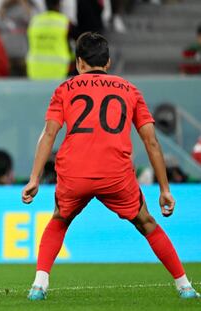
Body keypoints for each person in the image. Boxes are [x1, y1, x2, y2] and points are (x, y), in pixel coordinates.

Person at [22, 32, 200, 300]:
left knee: (59, 220)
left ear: (79, 63)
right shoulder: (130, 90)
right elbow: (151, 141)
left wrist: (34, 178)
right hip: (114, 174)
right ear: (107, 63)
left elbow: (49, 134)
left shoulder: (64, 89)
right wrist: (164, 188)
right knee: (147, 222)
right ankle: (184, 286)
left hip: (74, 172)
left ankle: (39, 286)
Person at [26, 0, 72, 80]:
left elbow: (28, 42)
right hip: (59, 70)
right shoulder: (64, 21)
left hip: (35, 70)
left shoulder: (35, 21)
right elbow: (78, 40)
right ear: (58, 5)